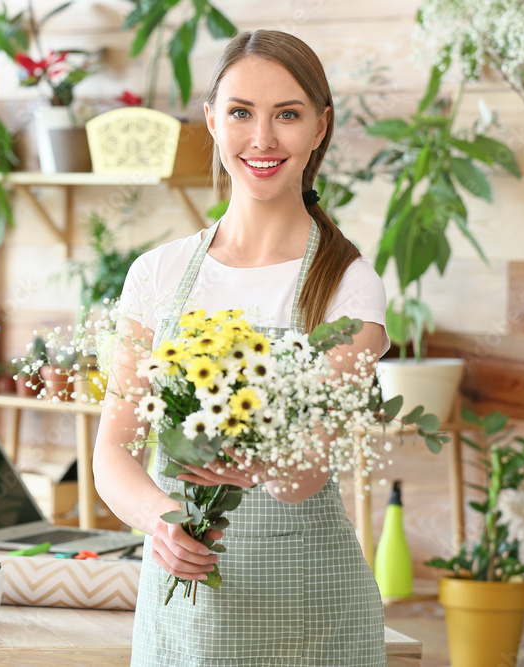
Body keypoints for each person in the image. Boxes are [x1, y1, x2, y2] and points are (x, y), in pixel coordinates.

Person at [93, 29, 390, 666]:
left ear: (319, 128)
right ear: (211, 121)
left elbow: (309, 472)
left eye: (287, 114)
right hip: (184, 619)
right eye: (240, 113)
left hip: (313, 618)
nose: (262, 140)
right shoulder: (158, 274)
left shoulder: (346, 284)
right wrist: (163, 519)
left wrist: (253, 470)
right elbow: (113, 453)